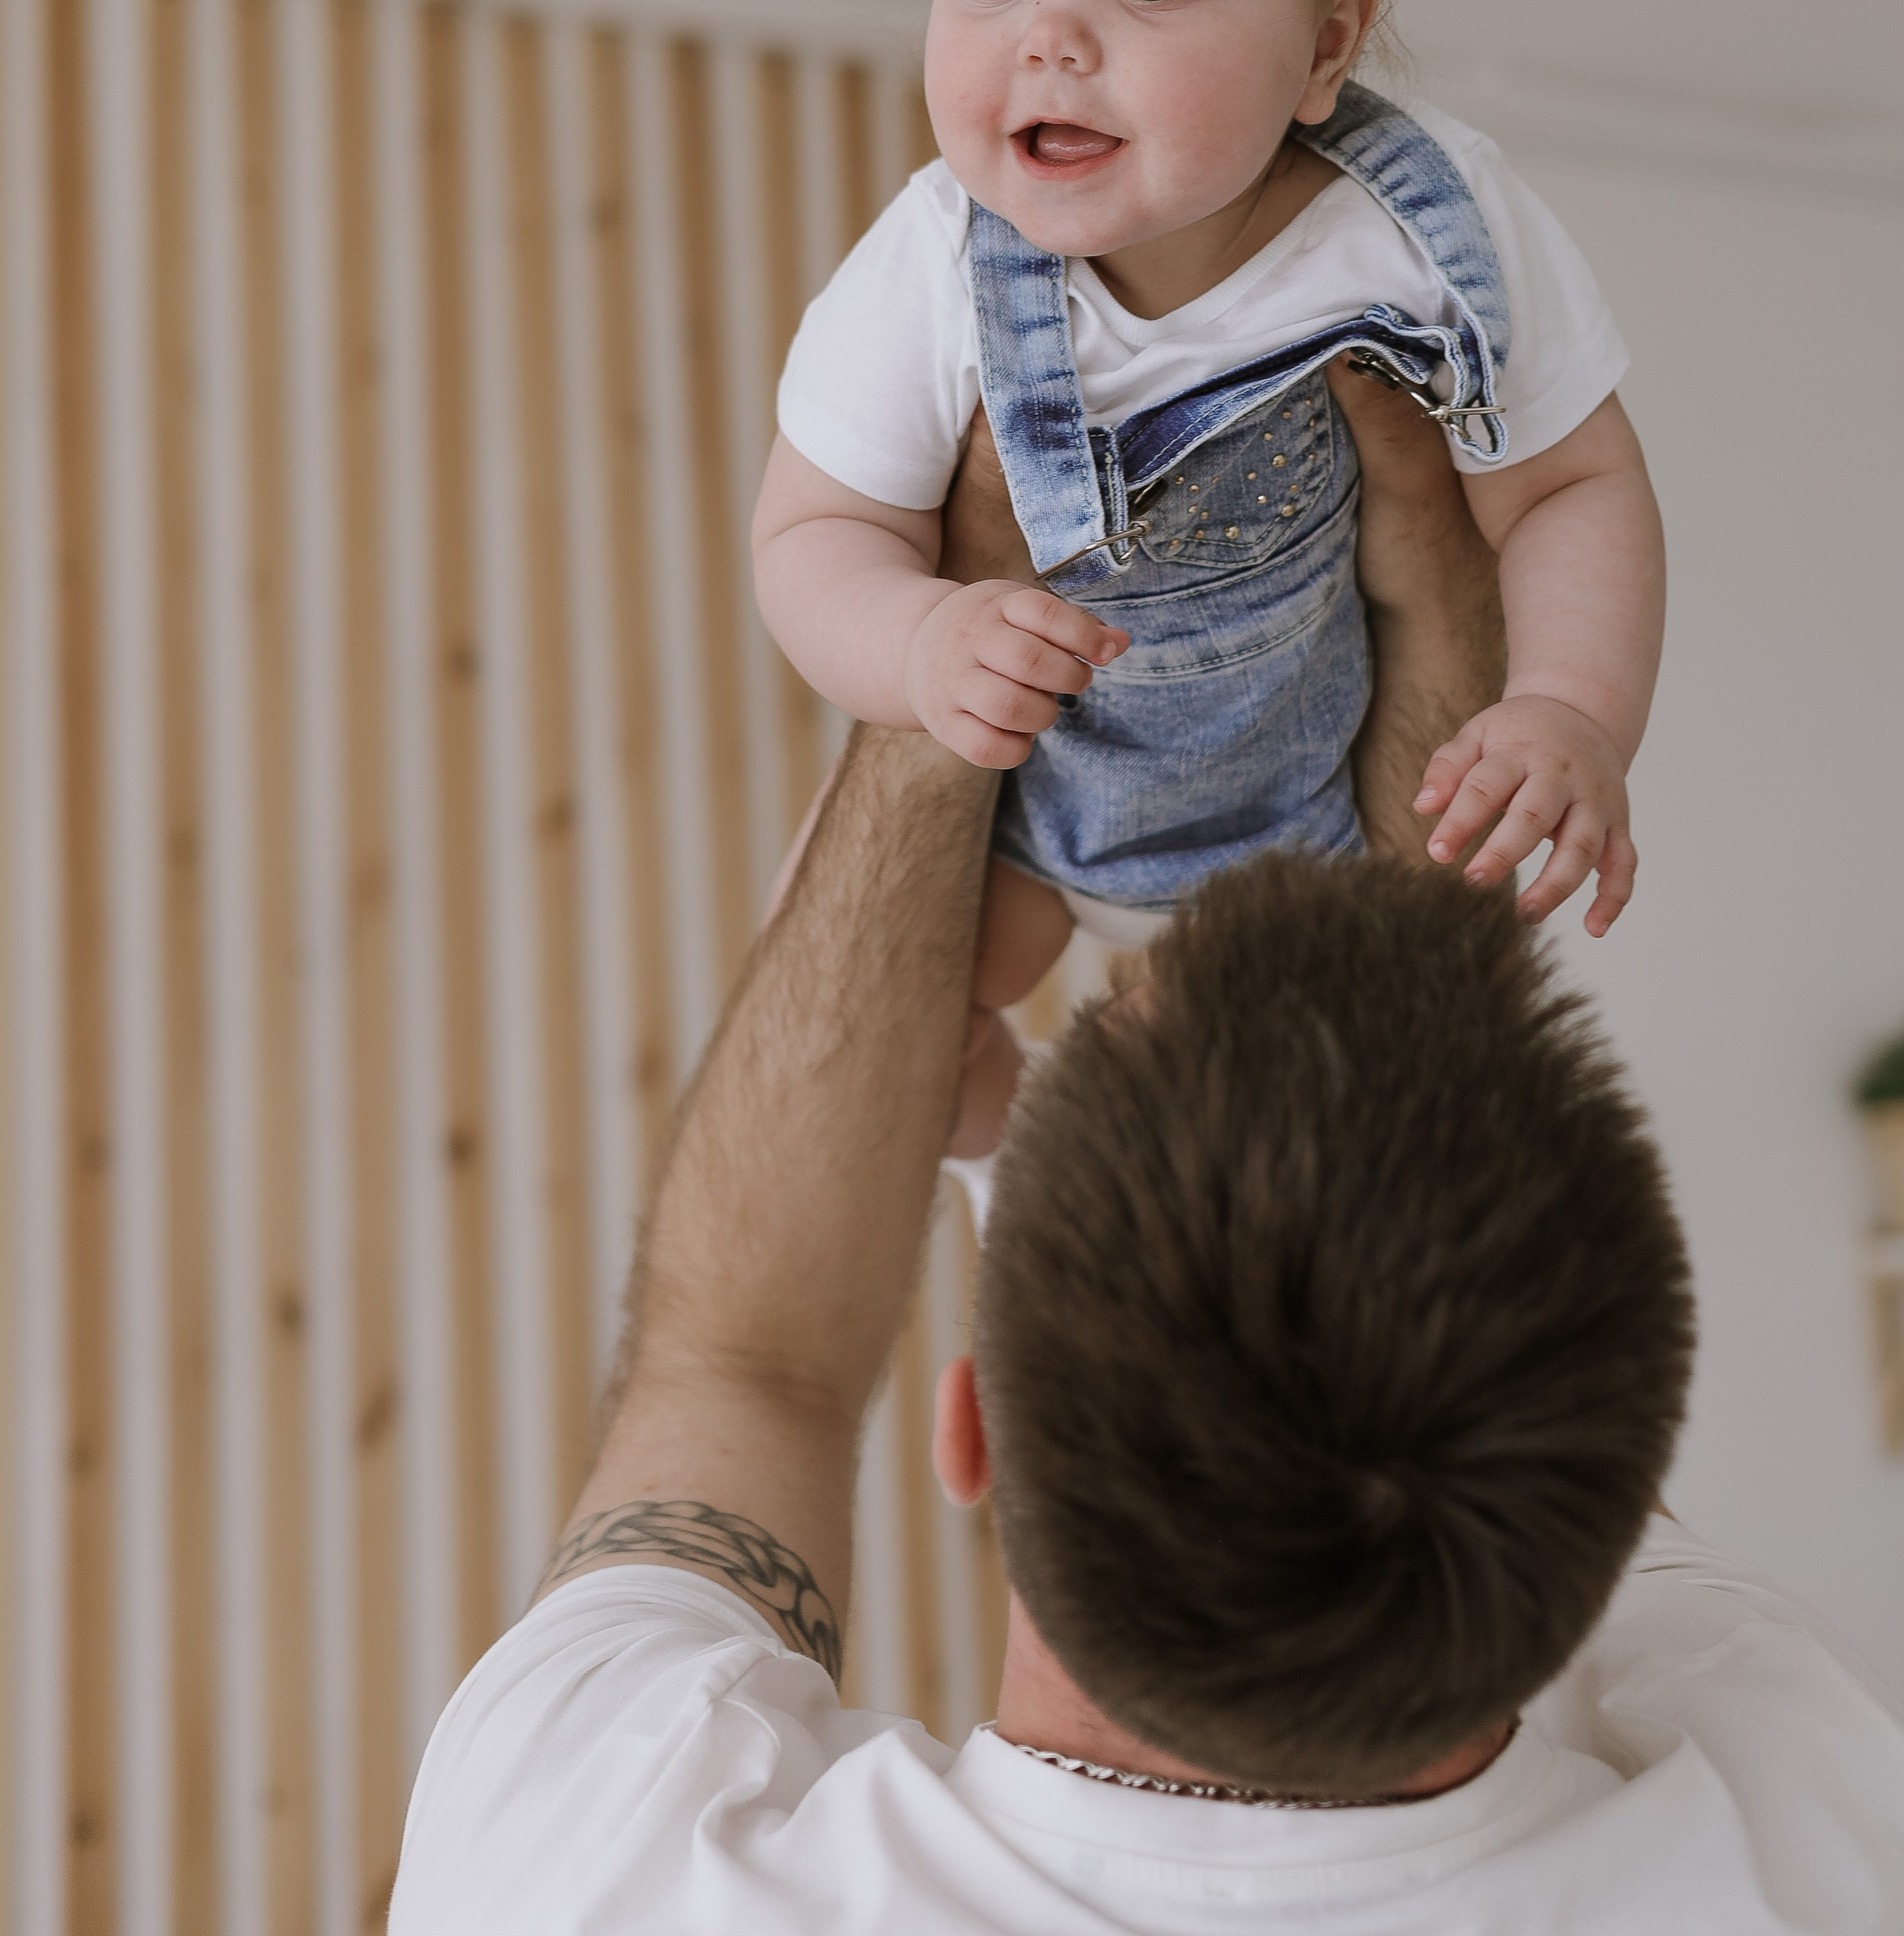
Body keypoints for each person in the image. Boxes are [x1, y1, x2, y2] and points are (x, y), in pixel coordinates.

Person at [387, 408, 1904, 1934]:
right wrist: (1438, 595)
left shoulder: (601, 1874)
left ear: (969, 1430)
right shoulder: (1818, 1834)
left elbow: (741, 1362)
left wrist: (949, 649)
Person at [752, 0, 1666, 1134]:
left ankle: (1132, 1172)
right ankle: (998, 1162)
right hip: (1032, 819)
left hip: (1296, 827)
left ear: (1327, 46)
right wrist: (915, 638)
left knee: (1300, 1093)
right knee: (850, 1008)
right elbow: (811, 531)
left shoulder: (1420, 228)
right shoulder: (933, 269)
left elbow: (1571, 487)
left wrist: (1569, 710)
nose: (1050, 42)